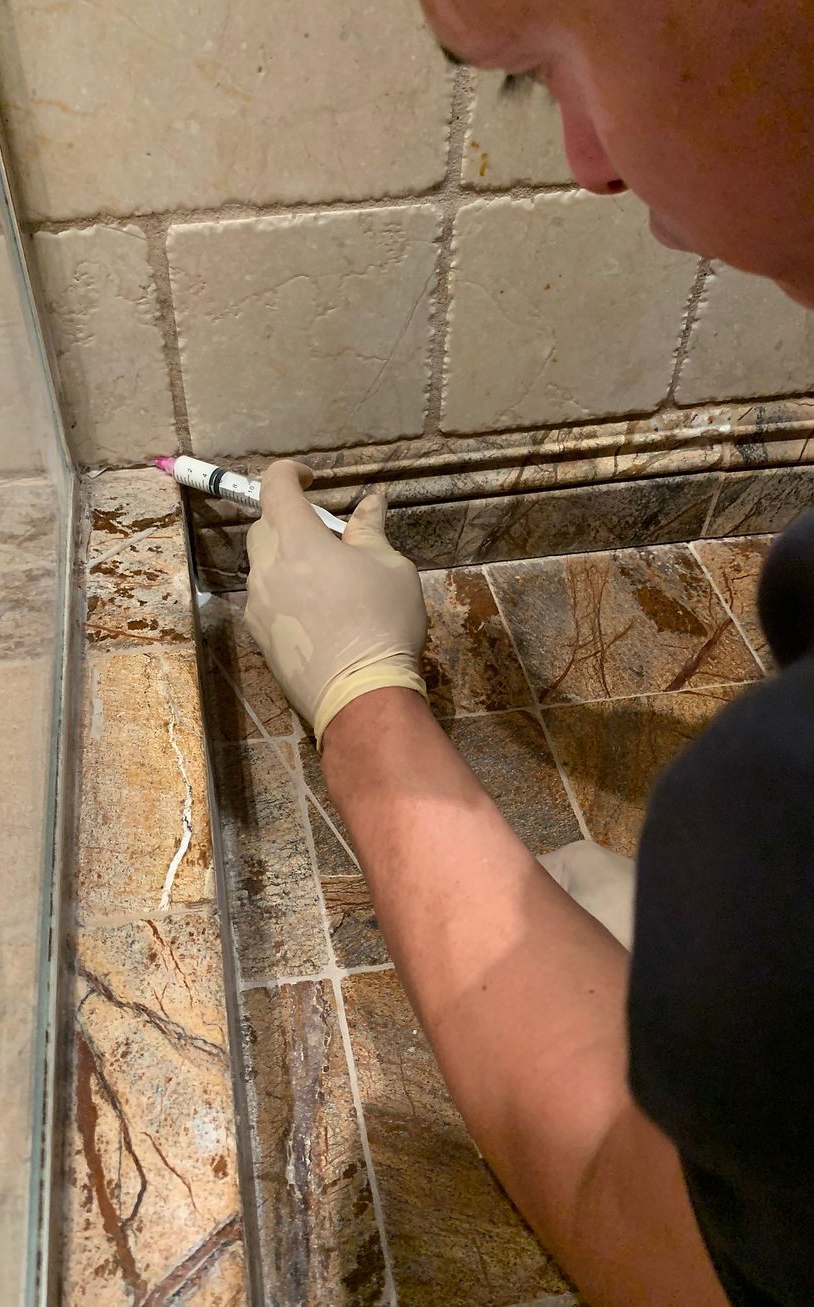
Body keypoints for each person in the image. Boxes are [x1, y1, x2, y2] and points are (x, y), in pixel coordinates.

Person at [242, 2, 814, 1304]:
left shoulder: (782, 814)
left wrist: (361, 699)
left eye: (556, 56)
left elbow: (666, 1241)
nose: (588, 158)